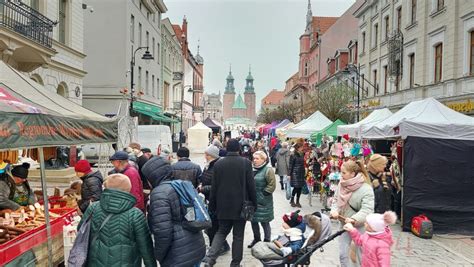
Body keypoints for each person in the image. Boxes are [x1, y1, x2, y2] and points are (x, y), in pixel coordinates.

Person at [78, 174, 156, 267]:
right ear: (128, 189)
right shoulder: (135, 214)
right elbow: (145, 247)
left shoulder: (93, 208)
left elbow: (80, 229)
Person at [142, 157, 206, 267]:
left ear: (153, 176)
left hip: (177, 253)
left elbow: (163, 231)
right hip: (195, 245)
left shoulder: (159, 193)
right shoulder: (182, 185)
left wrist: (159, 255)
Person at [202, 139, 257, 267]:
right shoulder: (246, 163)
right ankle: (235, 264)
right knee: (238, 236)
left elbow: (214, 187)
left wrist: (212, 205)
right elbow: (251, 186)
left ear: (226, 148)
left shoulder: (219, 164)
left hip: (223, 206)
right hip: (241, 206)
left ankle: (210, 259)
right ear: (238, 149)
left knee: (221, 232)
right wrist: (254, 204)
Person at [330, 160, 374, 267]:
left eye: (344, 173)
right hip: (344, 224)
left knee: (361, 255)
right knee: (343, 254)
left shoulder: (366, 189)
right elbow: (335, 200)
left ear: (353, 174)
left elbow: (367, 210)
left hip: (359, 226)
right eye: (341, 172)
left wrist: (354, 219)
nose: (341, 175)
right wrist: (334, 210)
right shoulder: (342, 184)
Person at [198, 145, 231, 255]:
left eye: (206, 154)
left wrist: (203, 188)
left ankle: (216, 248)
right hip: (209, 200)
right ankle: (221, 246)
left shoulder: (218, 166)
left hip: (217, 201)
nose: (205, 156)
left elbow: (219, 186)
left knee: (212, 226)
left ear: (211, 155)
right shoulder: (208, 166)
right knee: (212, 226)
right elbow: (205, 178)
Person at [248, 151, 276, 248]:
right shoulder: (251, 169)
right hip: (252, 201)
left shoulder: (268, 170)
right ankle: (257, 239)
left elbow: (272, 185)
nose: (254, 160)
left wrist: (263, 195)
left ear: (263, 159)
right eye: (254, 158)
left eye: (257, 158)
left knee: (265, 222)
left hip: (264, 202)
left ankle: (267, 240)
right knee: (253, 221)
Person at [289, 143, 305, 208]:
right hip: (295, 173)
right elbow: (291, 165)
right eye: (301, 147)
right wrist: (289, 174)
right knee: (296, 187)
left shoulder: (302, 154)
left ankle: (298, 201)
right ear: (298, 148)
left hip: (301, 173)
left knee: (300, 187)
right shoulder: (293, 155)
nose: (302, 148)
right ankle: (292, 200)